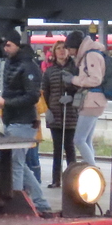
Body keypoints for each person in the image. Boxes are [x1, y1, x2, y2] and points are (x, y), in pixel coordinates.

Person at [0, 32, 52, 217]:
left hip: (23, 121)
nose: (5, 49)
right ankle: (40, 202)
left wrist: (6, 103)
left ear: (17, 44)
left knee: (14, 164)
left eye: (8, 45)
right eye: (4, 46)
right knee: (18, 163)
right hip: (12, 119)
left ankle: (15, 202)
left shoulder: (28, 66)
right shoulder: (12, 63)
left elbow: (32, 96)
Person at [66, 29, 107, 167]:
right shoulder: (90, 54)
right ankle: (92, 167)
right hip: (94, 101)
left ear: (76, 46)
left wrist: (74, 79)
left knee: (79, 139)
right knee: (87, 139)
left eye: (69, 49)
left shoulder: (91, 55)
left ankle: (94, 169)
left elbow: (95, 79)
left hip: (92, 101)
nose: (69, 52)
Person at [42, 40, 78, 187]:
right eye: (58, 49)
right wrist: (46, 110)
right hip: (55, 114)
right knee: (57, 149)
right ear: (54, 52)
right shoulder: (49, 71)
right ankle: (56, 180)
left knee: (69, 147)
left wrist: (72, 97)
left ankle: (73, 180)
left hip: (71, 114)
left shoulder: (75, 69)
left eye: (64, 48)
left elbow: (81, 90)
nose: (62, 51)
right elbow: (45, 93)